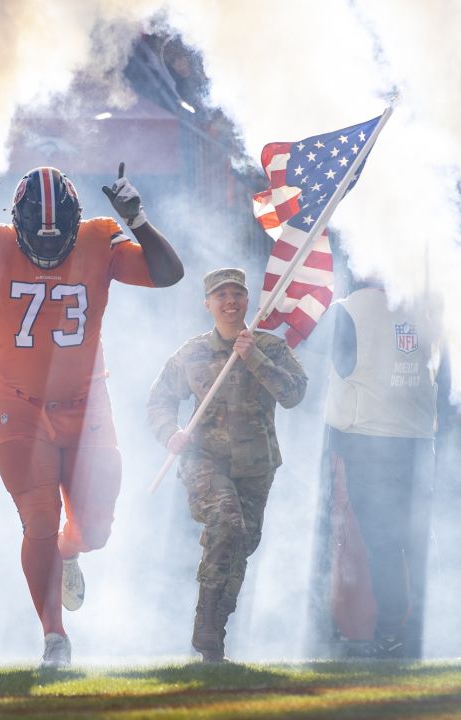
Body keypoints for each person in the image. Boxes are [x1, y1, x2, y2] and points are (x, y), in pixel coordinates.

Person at [0, 158, 183, 667]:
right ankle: (55, 637)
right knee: (38, 520)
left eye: (60, 239)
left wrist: (137, 218)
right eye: (41, 237)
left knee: (94, 531)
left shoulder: (101, 236)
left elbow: (169, 275)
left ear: (77, 222)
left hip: (87, 403)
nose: (51, 249)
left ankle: (69, 551)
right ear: (17, 223)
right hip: (19, 405)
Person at [146, 268, 308, 662]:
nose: (230, 301)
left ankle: (213, 636)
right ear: (208, 304)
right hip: (204, 460)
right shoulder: (192, 353)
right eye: (221, 295)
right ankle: (205, 625)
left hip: (256, 465)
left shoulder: (268, 347)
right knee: (228, 523)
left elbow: (294, 393)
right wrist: (170, 433)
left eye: (237, 293)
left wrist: (253, 358)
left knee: (239, 547)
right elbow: (159, 401)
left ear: (248, 301)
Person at [322, 277, 440, 659]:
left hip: (368, 438)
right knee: (419, 541)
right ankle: (422, 629)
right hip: (420, 438)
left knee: (385, 545)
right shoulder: (423, 310)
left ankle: (391, 632)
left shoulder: (347, 310)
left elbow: (337, 366)